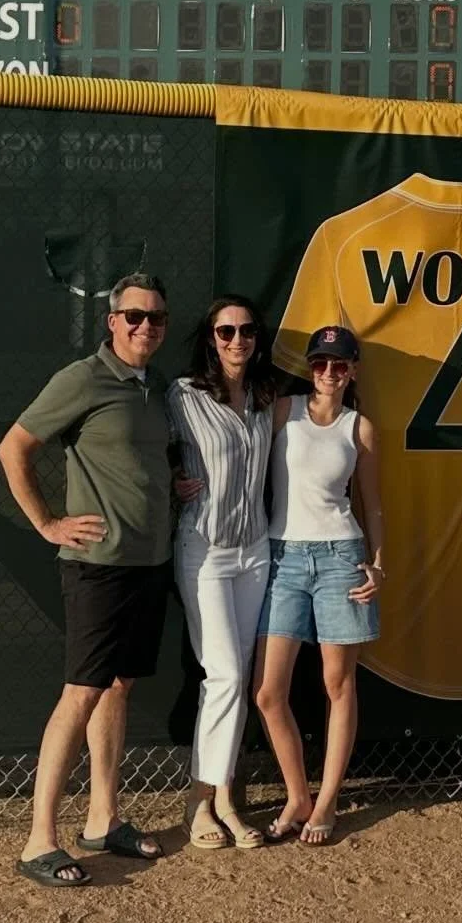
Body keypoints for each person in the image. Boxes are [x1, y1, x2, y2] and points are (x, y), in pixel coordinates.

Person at [0, 273, 173, 886]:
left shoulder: (156, 390)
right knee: (81, 691)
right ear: (112, 321)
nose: (144, 327)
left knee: (118, 687)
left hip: (150, 563)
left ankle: (102, 819)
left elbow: (135, 463)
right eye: (133, 317)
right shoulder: (82, 379)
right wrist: (46, 522)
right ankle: (38, 840)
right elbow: (13, 448)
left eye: (155, 318)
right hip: (98, 567)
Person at [253, 325, 384, 847]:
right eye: (320, 363)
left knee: (338, 685)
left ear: (352, 371)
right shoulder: (282, 412)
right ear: (310, 368)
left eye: (339, 364)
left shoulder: (361, 428)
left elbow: (371, 503)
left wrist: (379, 564)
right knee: (267, 693)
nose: (329, 373)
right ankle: (296, 795)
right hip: (282, 556)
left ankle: (326, 800)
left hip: (340, 558)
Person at [168, 295, 275, 851]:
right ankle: (199, 798)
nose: (237, 340)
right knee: (226, 675)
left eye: (247, 330)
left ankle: (226, 798)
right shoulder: (183, 396)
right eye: (226, 331)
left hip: (254, 549)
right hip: (204, 549)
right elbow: (142, 445)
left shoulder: (265, 397)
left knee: (239, 677)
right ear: (211, 338)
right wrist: (167, 477)